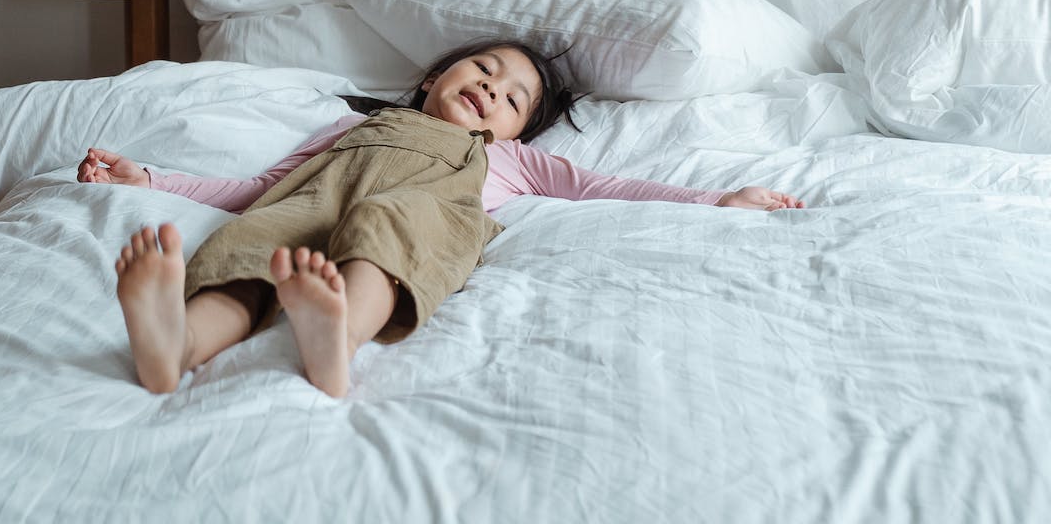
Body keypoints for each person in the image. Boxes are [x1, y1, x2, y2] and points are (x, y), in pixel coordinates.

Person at [78, 39, 803, 398]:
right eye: (484, 70)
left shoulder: (509, 162)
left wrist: (716, 200)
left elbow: (604, 186)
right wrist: (150, 177)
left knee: (395, 227)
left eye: (513, 97)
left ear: (516, 134)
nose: (491, 89)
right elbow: (257, 186)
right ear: (433, 78)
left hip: (421, 206)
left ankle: (338, 336)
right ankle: (176, 344)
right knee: (252, 241)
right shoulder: (344, 126)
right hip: (314, 199)